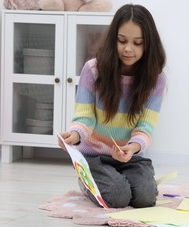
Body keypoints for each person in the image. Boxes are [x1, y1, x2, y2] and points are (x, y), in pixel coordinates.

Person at [58, 4, 166, 208]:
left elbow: (145, 128)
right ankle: (86, 182)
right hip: (95, 156)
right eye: (122, 40)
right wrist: (73, 135)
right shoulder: (93, 70)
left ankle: (113, 179)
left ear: (148, 44)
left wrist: (132, 148)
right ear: (113, 38)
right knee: (117, 197)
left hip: (130, 156)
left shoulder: (156, 79)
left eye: (138, 43)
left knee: (145, 197)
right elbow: (84, 117)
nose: (128, 49)